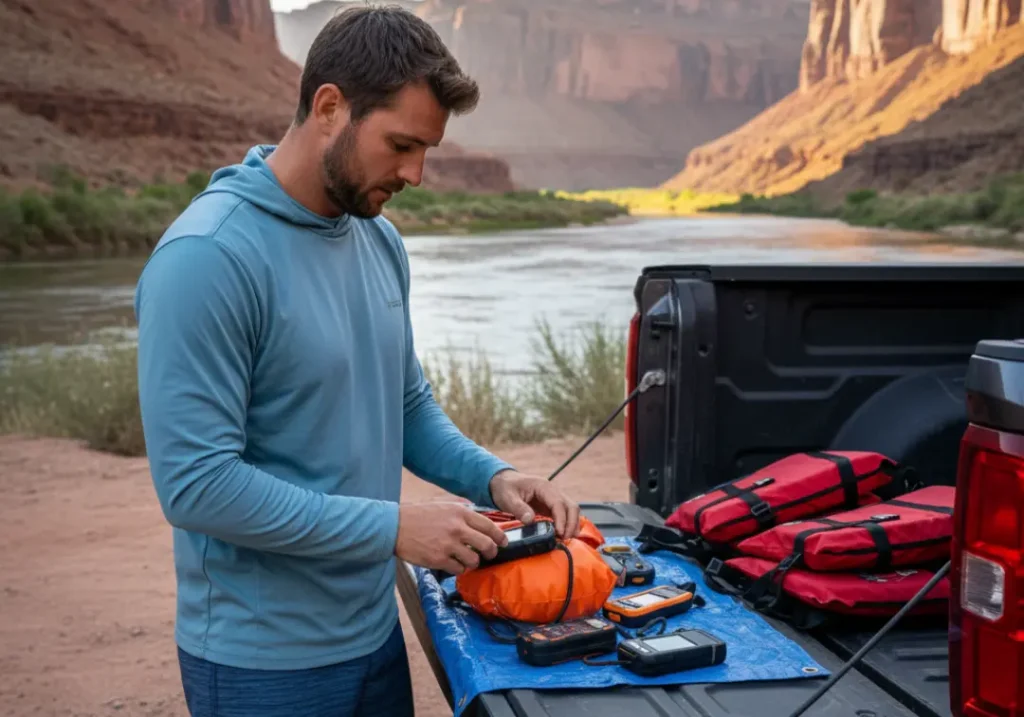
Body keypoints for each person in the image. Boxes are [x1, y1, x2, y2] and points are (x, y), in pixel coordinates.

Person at [133, 6, 581, 716]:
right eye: (401, 144)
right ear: (330, 107)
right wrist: (394, 527)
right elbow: (195, 485)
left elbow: (403, 408)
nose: (417, 172)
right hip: (262, 665)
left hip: (373, 640)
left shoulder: (378, 241)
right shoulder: (207, 257)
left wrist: (494, 476)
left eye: (426, 149)